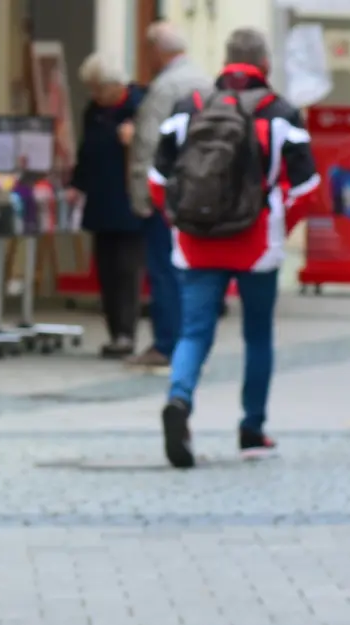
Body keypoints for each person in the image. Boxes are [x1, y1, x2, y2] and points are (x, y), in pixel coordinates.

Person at [148, 27, 318, 469]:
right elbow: (308, 186)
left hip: (197, 242)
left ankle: (179, 402)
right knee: (257, 335)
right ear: (264, 64)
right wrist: (277, 221)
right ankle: (251, 430)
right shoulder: (280, 113)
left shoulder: (190, 108)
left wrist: (180, 221)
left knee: (193, 331)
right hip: (257, 243)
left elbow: (157, 179)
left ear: (226, 61)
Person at [126, 21, 211, 370]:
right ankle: (189, 341)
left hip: (166, 193)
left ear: (157, 51)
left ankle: (166, 343)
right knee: (188, 270)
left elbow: (146, 143)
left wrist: (140, 195)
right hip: (198, 189)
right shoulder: (205, 81)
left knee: (162, 269)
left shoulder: (164, 88)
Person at [66, 54, 146, 359]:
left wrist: (134, 141)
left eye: (98, 89)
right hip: (101, 200)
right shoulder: (94, 112)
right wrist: (78, 184)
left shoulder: (138, 107)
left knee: (127, 269)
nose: (95, 95)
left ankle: (126, 333)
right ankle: (115, 332)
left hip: (129, 202)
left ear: (115, 86)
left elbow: (154, 146)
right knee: (106, 270)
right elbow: (87, 151)